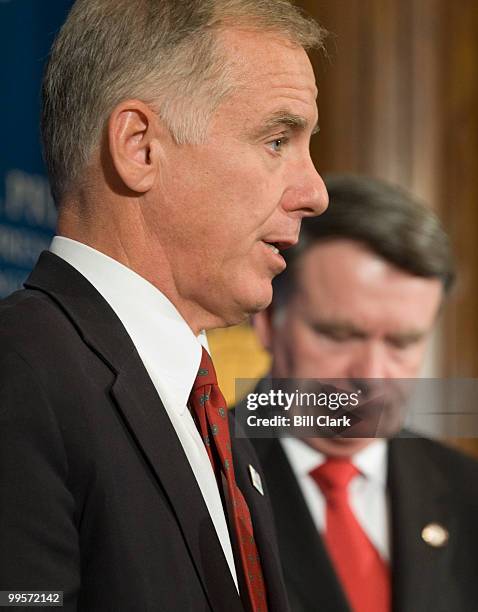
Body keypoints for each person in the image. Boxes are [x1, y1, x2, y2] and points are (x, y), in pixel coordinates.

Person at [0, 1, 328, 610]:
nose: (316, 193)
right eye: (278, 139)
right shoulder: (19, 376)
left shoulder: (206, 411)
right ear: (140, 147)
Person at [250, 175, 478, 612]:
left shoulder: (474, 497)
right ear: (267, 321)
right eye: (339, 335)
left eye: (402, 342)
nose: (372, 375)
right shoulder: (195, 473)